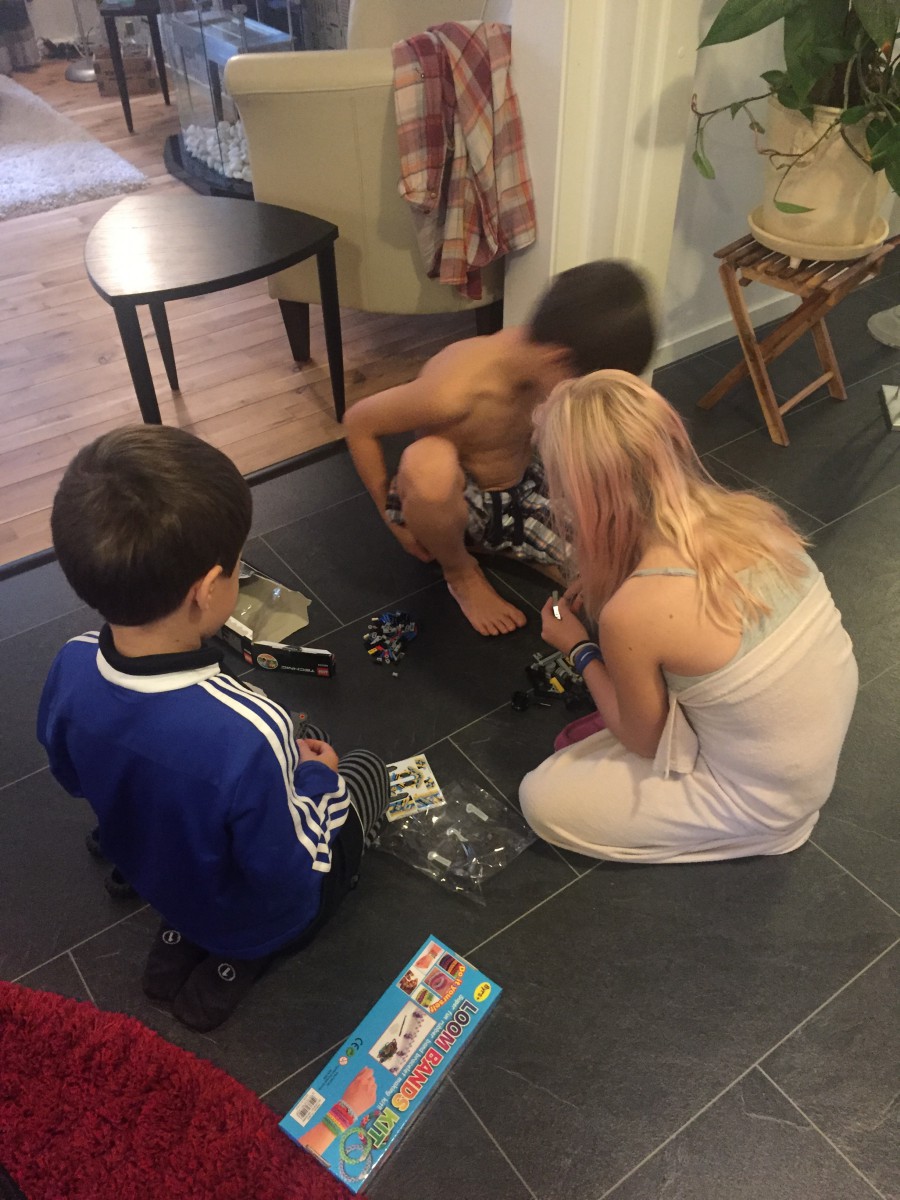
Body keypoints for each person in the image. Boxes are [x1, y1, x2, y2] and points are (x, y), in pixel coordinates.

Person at [37, 426, 389, 1032]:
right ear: (204, 591)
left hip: (156, 873)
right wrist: (317, 778)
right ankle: (244, 953)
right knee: (361, 770)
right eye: (237, 567)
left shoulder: (70, 662)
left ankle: (187, 935)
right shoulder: (252, 729)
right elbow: (287, 868)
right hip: (260, 915)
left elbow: (70, 776)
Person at [519, 371, 858, 862]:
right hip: (807, 751)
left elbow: (643, 741)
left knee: (541, 797)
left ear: (583, 495)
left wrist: (578, 647)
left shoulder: (632, 614)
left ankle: (757, 831)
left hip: (769, 800)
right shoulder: (755, 515)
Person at [342, 261, 656, 636]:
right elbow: (358, 423)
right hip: (459, 504)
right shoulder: (453, 390)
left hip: (526, 486)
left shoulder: (546, 364)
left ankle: (513, 545)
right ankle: (460, 571)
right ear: (558, 360)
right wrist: (392, 523)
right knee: (427, 464)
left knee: (623, 568)